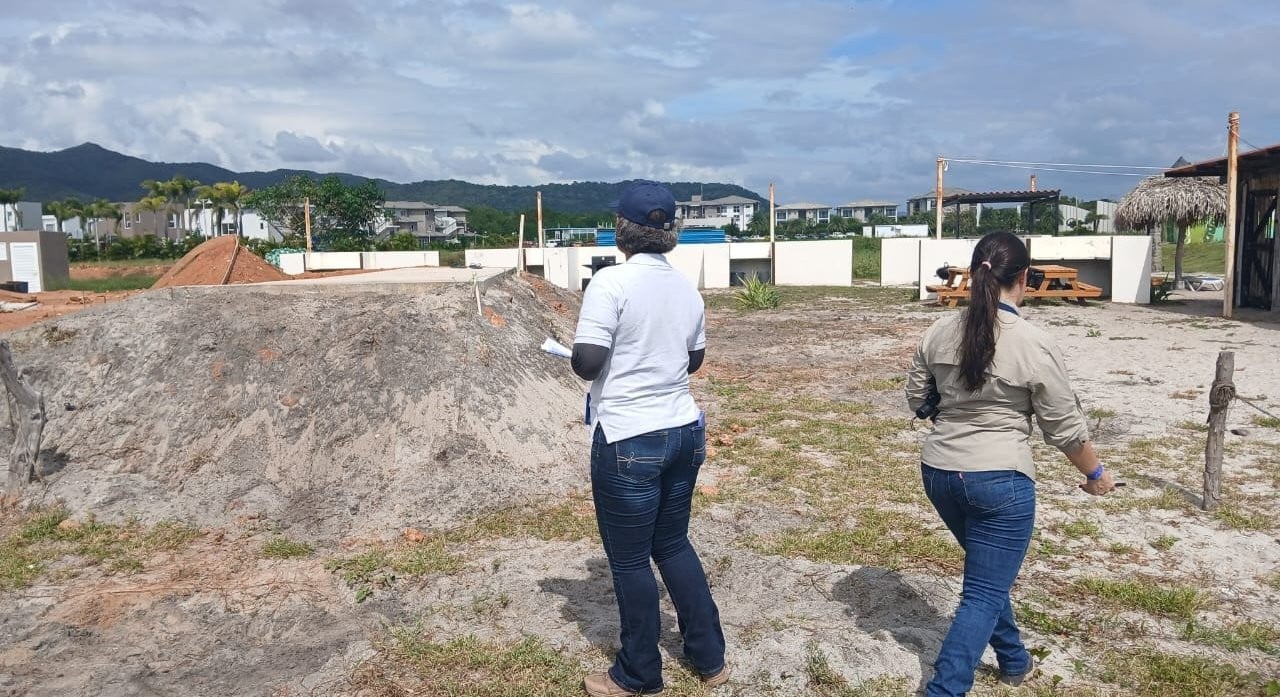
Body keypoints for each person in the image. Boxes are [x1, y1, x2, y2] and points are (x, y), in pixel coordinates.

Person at [905, 231, 1116, 697]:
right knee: (982, 592)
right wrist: (1096, 475)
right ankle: (944, 689)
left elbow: (917, 397)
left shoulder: (938, 332)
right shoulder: (1033, 341)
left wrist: (950, 416)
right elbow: (1063, 427)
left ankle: (1014, 659)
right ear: (1023, 277)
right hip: (1001, 479)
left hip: (940, 471)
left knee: (986, 574)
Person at [571, 181, 729, 696]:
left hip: (628, 437)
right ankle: (709, 658)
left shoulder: (610, 284)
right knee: (673, 543)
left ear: (621, 232)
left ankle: (638, 673)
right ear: (670, 234)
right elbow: (694, 360)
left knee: (630, 560)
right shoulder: (687, 289)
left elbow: (587, 363)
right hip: (683, 429)